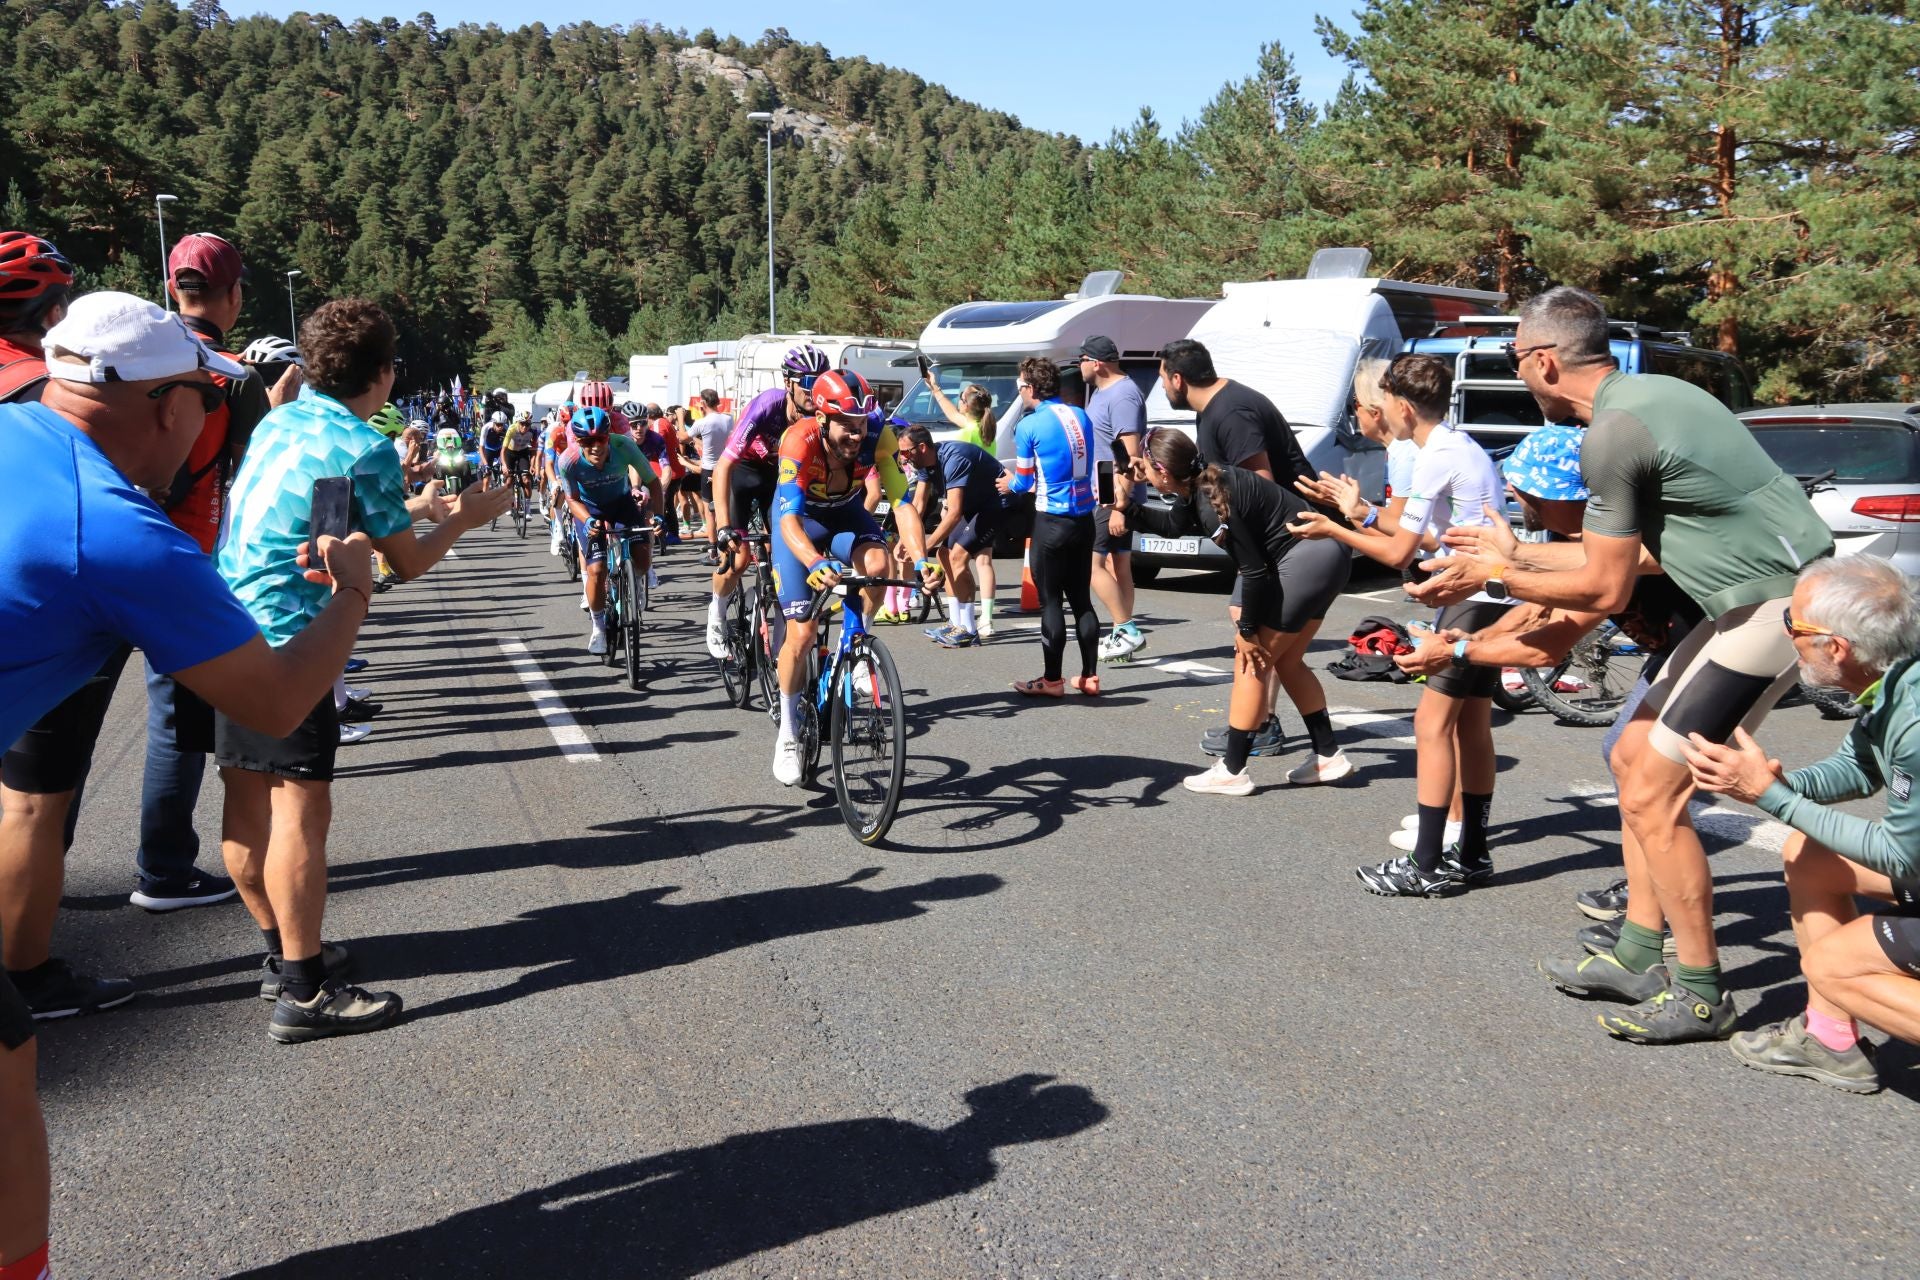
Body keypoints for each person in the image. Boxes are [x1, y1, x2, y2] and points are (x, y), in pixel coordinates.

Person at [0, 292, 380, 1276]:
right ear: (170, 405)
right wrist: (351, 591)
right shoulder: (120, 529)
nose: (214, 423)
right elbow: (281, 696)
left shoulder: (12, 428)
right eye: (208, 403)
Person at [1413, 286, 1833, 1043]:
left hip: (1774, 610)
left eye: (1515, 361)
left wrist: (1498, 576)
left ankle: (1703, 992)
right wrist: (1515, 555)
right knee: (1630, 752)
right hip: (1748, 600)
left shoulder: (1609, 435)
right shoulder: (1656, 393)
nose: (1518, 376)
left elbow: (1602, 587)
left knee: (1652, 788)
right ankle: (1639, 950)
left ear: (1543, 361)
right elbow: (1630, 557)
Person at [216, 297, 510, 1043]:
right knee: (300, 817)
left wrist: (408, 505)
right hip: (290, 641)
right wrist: (460, 519)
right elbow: (402, 562)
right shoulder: (363, 445)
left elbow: (322, 519)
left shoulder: (281, 420)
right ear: (383, 374)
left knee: (245, 802)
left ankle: (280, 951)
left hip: (222, 626)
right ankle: (306, 991)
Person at [1680, 556, 1920, 1093]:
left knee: (1833, 965)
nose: (1788, 636)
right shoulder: (1898, 668)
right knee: (1809, 857)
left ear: (1836, 646)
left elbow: (1904, 858)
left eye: (1794, 624)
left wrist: (1768, 796)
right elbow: (1859, 768)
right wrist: (1771, 782)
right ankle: (1829, 1039)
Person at [1289, 355, 1507, 895]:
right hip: (1491, 591)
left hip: (1470, 595)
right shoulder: (1457, 445)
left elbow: (1397, 553)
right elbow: (1426, 536)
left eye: (1385, 404)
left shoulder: (1431, 457)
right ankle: (1473, 852)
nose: (1381, 414)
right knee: (1471, 726)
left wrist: (1335, 529)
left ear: (1405, 407)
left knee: (1432, 726)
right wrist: (1356, 510)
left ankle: (1427, 863)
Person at [1130, 429, 1351, 794]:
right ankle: (1327, 755)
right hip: (1329, 556)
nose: (1143, 476)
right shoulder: (1202, 483)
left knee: (1251, 661)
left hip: (1305, 560)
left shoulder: (1208, 499)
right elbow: (1172, 527)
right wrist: (1128, 509)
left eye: (1146, 468)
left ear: (1163, 473)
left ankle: (1233, 769)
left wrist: (1247, 631)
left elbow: (1253, 571)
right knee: (1288, 661)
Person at [1157, 338, 1332, 758]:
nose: (1162, 387)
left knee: (1250, 631)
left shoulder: (1230, 412)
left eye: (1162, 378)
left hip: (1287, 540)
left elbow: (1260, 483)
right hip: (1279, 541)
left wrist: (1250, 557)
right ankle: (1269, 727)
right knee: (1269, 645)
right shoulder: (1215, 408)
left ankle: (1260, 725)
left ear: (1178, 378)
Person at [770, 369, 890, 784]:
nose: (857, 435)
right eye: (846, 426)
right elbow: (788, 522)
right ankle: (787, 731)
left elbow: (904, 502)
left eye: (861, 424)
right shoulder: (797, 440)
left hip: (844, 512)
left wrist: (925, 556)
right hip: (800, 522)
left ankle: (856, 644)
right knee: (802, 634)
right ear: (822, 419)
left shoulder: (879, 434)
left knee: (877, 566)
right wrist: (813, 561)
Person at [707, 345, 824, 660]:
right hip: (743, 474)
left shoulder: (821, 415)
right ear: (788, 383)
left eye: (819, 380)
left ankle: (781, 639)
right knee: (739, 557)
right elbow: (724, 466)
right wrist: (723, 526)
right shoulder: (767, 406)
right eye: (806, 381)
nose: (814, 389)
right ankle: (717, 614)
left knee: (789, 552)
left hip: (778, 479)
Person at [996, 357, 1099, 697]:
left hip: (1051, 521)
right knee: (1082, 600)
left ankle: (1052, 680)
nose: (1020, 391)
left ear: (1030, 388)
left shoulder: (1030, 425)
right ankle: (1089, 676)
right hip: (1084, 518)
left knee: (1051, 602)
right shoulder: (1080, 415)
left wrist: (1008, 482)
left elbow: (1024, 483)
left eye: (1019, 386)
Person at [559, 407, 661, 656]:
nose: (595, 446)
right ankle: (599, 627)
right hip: (589, 510)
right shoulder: (568, 461)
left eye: (600, 439)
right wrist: (588, 520)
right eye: (587, 441)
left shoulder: (624, 446)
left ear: (609, 436)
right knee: (596, 570)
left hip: (622, 504)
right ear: (578, 441)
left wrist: (657, 515)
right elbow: (571, 499)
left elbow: (653, 482)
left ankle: (631, 582)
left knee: (643, 558)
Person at [892, 427, 1005, 648]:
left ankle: (970, 630)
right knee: (944, 555)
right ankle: (955, 622)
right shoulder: (924, 463)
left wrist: (924, 546)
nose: (903, 458)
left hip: (997, 503)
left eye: (905, 452)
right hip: (974, 506)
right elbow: (918, 505)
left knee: (957, 557)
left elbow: (953, 512)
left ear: (922, 447)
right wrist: (905, 541)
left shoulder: (954, 459)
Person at [1078, 336, 1149, 663]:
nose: (1079, 366)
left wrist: (1120, 506)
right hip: (1106, 488)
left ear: (1097, 363)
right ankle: (1123, 634)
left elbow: (1129, 456)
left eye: (1082, 359)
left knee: (1090, 564)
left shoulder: (1122, 395)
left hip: (1113, 493)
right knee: (1117, 563)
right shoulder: (1103, 392)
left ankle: (1127, 629)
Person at [686, 389, 734, 563]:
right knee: (727, 507)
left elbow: (683, 437)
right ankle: (730, 546)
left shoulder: (702, 422)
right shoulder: (729, 419)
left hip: (709, 468)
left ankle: (714, 551)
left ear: (703, 403)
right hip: (727, 466)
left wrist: (679, 417)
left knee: (710, 512)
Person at [433, 426, 475, 494]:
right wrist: (433, 451)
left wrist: (465, 448)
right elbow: (433, 446)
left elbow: (465, 441)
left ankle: (469, 484)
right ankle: (438, 488)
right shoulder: (438, 438)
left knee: (468, 464)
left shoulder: (458, 437)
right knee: (435, 465)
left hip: (456, 457)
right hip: (445, 459)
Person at [479, 409, 507, 481]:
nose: (500, 427)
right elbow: (481, 448)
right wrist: (485, 464)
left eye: (502, 425)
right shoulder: (486, 428)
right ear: (493, 423)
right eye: (498, 425)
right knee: (486, 474)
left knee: (507, 471)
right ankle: (484, 490)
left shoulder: (506, 428)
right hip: (488, 449)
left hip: (500, 449)